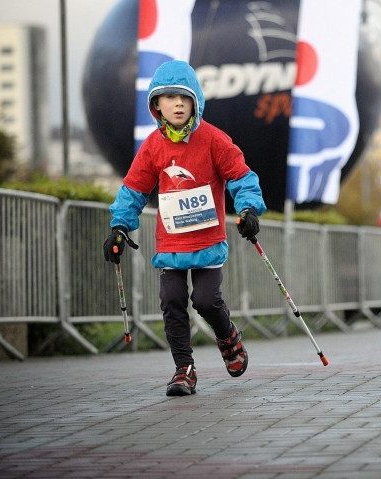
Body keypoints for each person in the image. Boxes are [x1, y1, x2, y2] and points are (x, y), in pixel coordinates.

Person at [103, 60, 266, 396]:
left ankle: (228, 337)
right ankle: (184, 369)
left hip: (207, 239)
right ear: (156, 105)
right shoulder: (152, 146)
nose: (177, 103)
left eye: (185, 97)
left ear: (196, 102)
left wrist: (249, 208)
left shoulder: (214, 140)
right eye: (169, 97)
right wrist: (119, 226)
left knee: (206, 300)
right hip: (171, 243)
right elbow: (134, 189)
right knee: (171, 299)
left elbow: (241, 176)